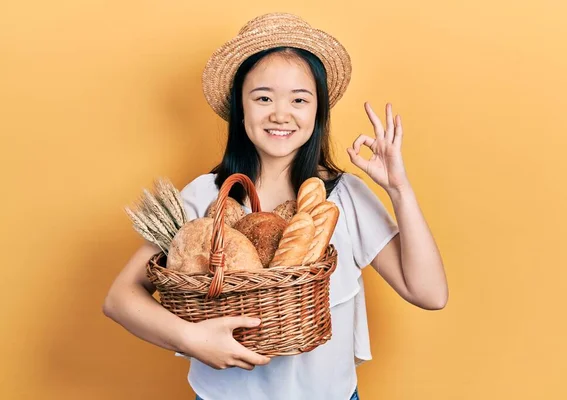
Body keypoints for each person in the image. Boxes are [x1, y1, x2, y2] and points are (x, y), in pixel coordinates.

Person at [103, 12, 448, 400]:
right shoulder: (204, 197)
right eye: (263, 97)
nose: (280, 114)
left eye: (299, 99)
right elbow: (120, 298)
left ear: (317, 112)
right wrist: (193, 339)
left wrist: (398, 189)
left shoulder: (344, 197)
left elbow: (430, 294)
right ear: (241, 107)